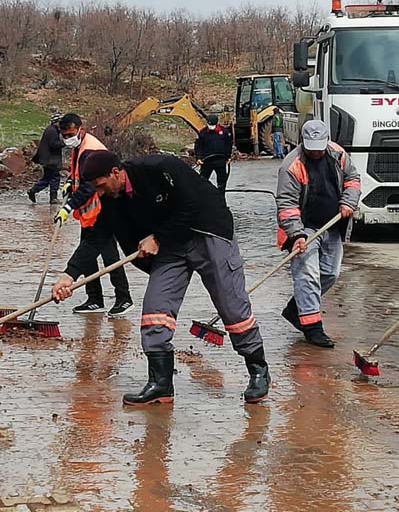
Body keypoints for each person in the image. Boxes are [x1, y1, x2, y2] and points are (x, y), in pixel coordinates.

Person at [51, 150, 270, 405]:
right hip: (170, 245)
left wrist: (157, 238)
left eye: (100, 185)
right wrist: (69, 274)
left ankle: (258, 372)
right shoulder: (112, 197)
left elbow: (193, 204)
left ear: (115, 172)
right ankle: (160, 383)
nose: (99, 192)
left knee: (231, 306)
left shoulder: (159, 167)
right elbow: (97, 236)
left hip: (206, 231)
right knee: (155, 309)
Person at [275, 120, 360, 347]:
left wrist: (349, 202)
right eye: (312, 147)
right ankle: (312, 328)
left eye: (320, 147)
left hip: (332, 224)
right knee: (308, 276)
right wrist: (297, 235)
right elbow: (286, 204)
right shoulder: (291, 166)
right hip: (304, 227)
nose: (316, 152)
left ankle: (297, 309)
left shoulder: (338, 154)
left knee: (330, 273)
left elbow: (353, 179)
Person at [53, 113, 132, 317]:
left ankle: (124, 298)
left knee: (110, 257)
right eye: (64, 135)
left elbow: (89, 187)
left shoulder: (91, 148)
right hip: (89, 213)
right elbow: (80, 176)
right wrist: (71, 182)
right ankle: (95, 299)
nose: (67, 138)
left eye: (70, 133)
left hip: (102, 210)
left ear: (81, 128)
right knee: (86, 256)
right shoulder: (78, 147)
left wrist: (68, 207)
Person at [28, 112, 63, 204]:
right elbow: (54, 145)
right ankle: (53, 198)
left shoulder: (50, 129)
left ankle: (33, 190)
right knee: (55, 177)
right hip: (51, 160)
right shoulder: (53, 131)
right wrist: (64, 143)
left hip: (46, 159)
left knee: (47, 178)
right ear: (57, 122)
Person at [194, 114, 233, 195]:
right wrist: (198, 158)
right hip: (207, 161)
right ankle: (204, 198)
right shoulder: (203, 133)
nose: (211, 126)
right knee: (203, 180)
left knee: (222, 182)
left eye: (213, 125)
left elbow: (228, 144)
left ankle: (221, 199)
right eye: (210, 124)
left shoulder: (224, 132)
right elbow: (198, 146)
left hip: (220, 161)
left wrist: (228, 156)